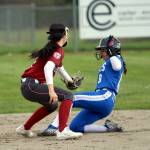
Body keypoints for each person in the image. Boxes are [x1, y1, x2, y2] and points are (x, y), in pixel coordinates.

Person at [39, 35, 127, 136]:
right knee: (75, 127)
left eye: (103, 50)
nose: (101, 53)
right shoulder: (110, 60)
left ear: (111, 50)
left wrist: (112, 53)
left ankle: (53, 127)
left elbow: (117, 66)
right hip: (103, 101)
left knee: (70, 98)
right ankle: (108, 128)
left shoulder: (117, 58)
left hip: (105, 96)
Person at [16, 23, 83, 140]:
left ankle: (25, 128)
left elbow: (59, 67)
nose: (67, 35)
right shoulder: (58, 49)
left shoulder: (52, 48)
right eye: (67, 33)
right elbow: (48, 67)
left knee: (52, 105)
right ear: (63, 35)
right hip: (31, 86)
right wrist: (51, 91)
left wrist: (69, 80)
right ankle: (62, 130)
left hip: (28, 86)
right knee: (68, 95)